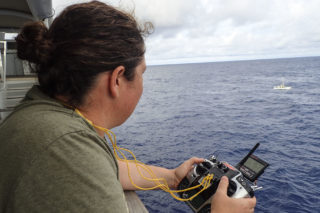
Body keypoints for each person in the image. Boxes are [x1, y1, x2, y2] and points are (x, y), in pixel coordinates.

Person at [0, 1, 256, 212]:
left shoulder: (48, 119)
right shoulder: (65, 147)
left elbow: (109, 167)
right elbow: (82, 165)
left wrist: (171, 178)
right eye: (142, 73)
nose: (143, 82)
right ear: (117, 79)